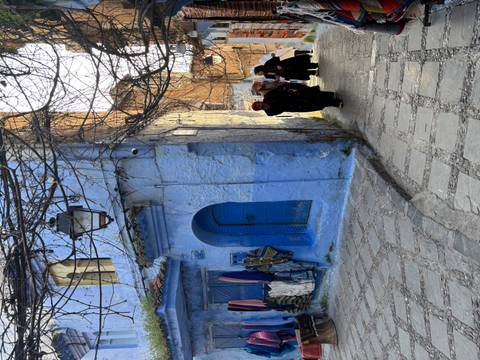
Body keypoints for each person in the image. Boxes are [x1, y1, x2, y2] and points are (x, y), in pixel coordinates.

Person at [251, 83, 342, 116]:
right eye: (258, 107)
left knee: (313, 94)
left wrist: (286, 88)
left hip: (293, 95)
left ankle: (331, 95)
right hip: (295, 105)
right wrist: (269, 107)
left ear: (259, 101)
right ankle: (336, 103)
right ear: (260, 109)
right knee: (316, 104)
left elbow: (277, 90)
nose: (260, 105)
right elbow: (279, 110)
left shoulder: (268, 96)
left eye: (258, 103)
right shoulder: (269, 112)